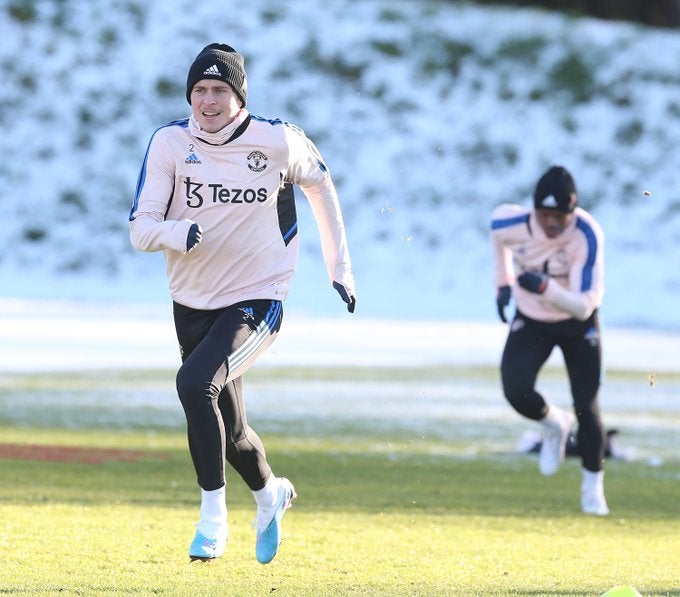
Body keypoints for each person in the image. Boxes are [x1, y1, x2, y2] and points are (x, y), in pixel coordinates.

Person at [129, 43, 357, 563]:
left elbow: (321, 187)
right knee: (231, 432)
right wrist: (175, 231)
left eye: (220, 90)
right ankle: (270, 493)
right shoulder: (169, 143)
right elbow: (139, 230)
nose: (208, 101)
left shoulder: (277, 140)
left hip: (260, 294)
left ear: (239, 96)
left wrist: (339, 269)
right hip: (191, 300)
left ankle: (212, 520)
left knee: (194, 384)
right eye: (200, 90)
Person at [489, 165, 609, 516]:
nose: (553, 224)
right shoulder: (507, 222)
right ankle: (555, 422)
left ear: (572, 212)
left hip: (576, 324)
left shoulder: (586, 233)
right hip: (532, 319)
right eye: (545, 215)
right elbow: (498, 239)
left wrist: (545, 287)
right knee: (515, 390)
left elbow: (584, 306)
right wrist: (502, 282)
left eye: (560, 216)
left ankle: (592, 487)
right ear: (533, 209)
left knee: (587, 405)